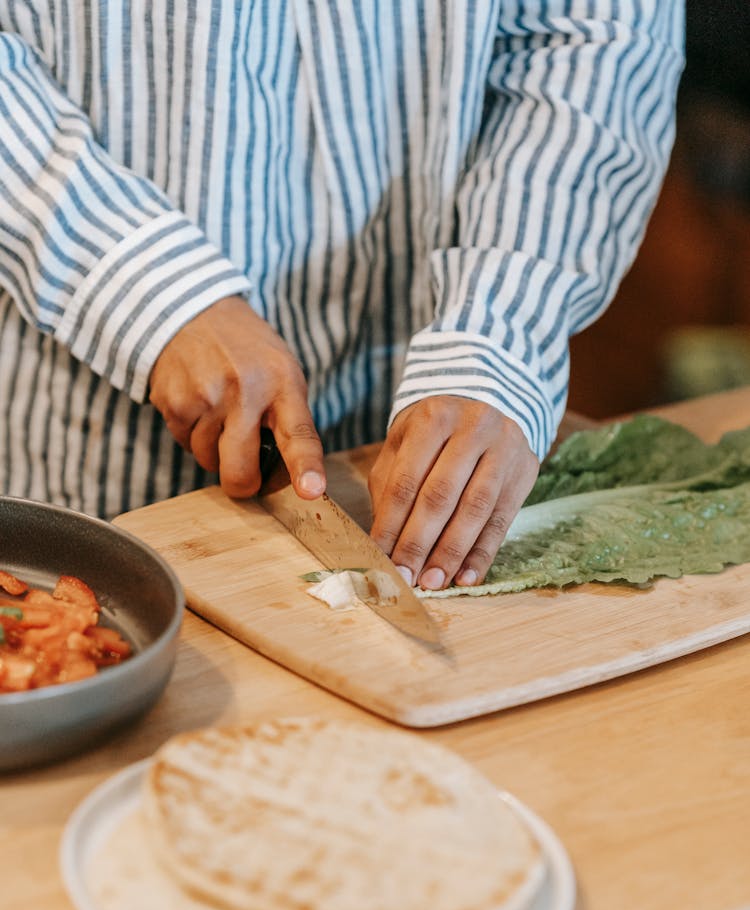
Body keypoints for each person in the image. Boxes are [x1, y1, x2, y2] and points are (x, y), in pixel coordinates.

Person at [0, 2, 683, 591]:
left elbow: (599, 37)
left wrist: (499, 322)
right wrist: (140, 284)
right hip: (80, 464)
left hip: (414, 402)